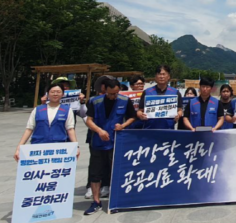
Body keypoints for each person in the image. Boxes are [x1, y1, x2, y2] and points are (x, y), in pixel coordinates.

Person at [84, 76, 136, 215]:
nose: (114, 96)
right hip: (98, 143)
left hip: (116, 142)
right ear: (104, 89)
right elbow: (88, 120)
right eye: (111, 93)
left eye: (116, 93)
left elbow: (132, 116)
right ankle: (96, 201)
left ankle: (116, 200)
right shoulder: (95, 101)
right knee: (95, 174)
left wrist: (123, 125)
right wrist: (99, 130)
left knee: (116, 172)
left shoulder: (125, 101)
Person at [15, 83, 80, 161]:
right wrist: (19, 147)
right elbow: (29, 129)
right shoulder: (38, 109)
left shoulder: (67, 110)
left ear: (62, 94)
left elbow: (70, 129)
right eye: (52, 92)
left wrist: (76, 147)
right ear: (48, 94)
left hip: (58, 149)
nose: (55, 94)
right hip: (38, 148)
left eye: (58, 92)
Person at [137, 65, 183, 129]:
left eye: (164, 74)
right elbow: (139, 111)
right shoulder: (147, 92)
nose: (161, 76)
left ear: (168, 76)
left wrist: (178, 115)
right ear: (155, 77)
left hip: (168, 129)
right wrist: (141, 115)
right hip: (150, 129)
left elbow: (180, 110)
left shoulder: (175, 92)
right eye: (159, 74)